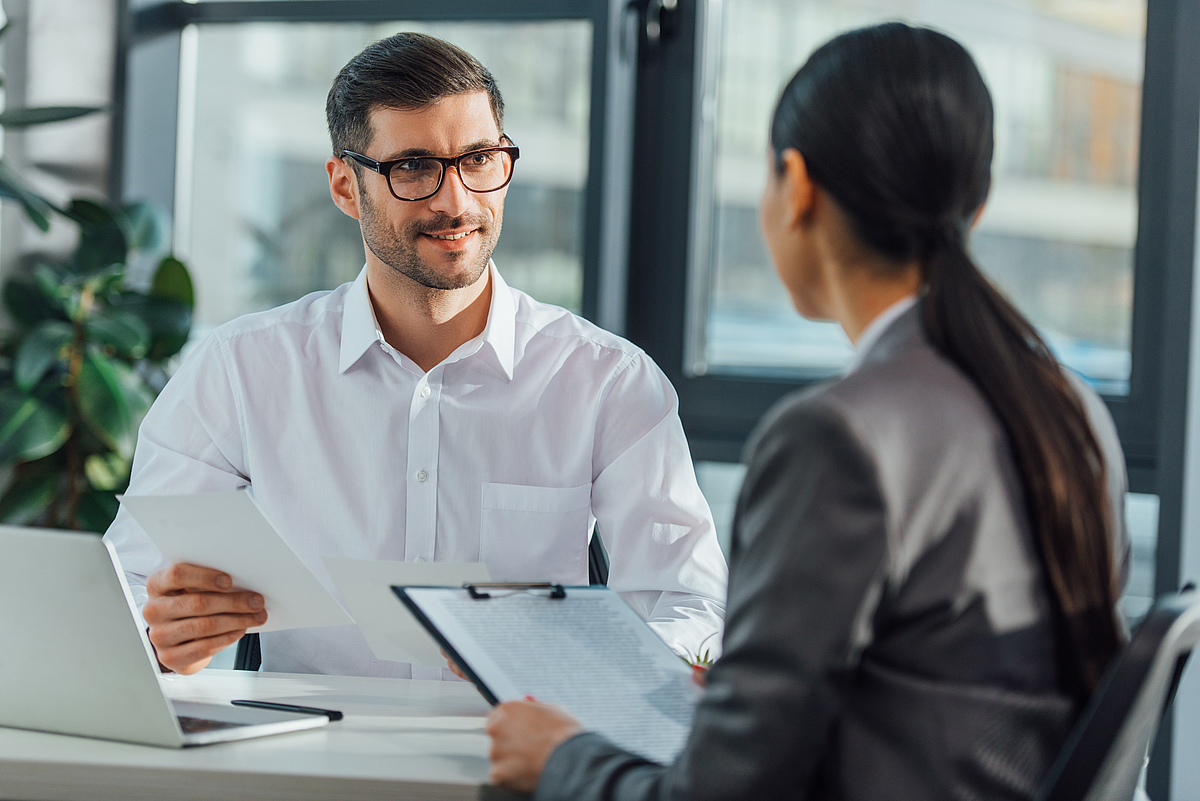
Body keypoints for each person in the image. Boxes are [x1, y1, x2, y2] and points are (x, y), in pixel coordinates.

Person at [485, 22, 1130, 800]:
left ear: (796, 185)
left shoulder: (839, 436)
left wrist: (561, 755)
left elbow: (721, 795)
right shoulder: (1070, 409)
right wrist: (742, 699)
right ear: (978, 203)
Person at [102, 32, 727, 679]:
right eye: (414, 167)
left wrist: (577, 650)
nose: (456, 201)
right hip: (302, 764)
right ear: (346, 187)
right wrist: (159, 634)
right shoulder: (240, 371)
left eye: (480, 159)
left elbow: (690, 602)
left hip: (526, 759)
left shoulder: (608, 382)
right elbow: (123, 591)